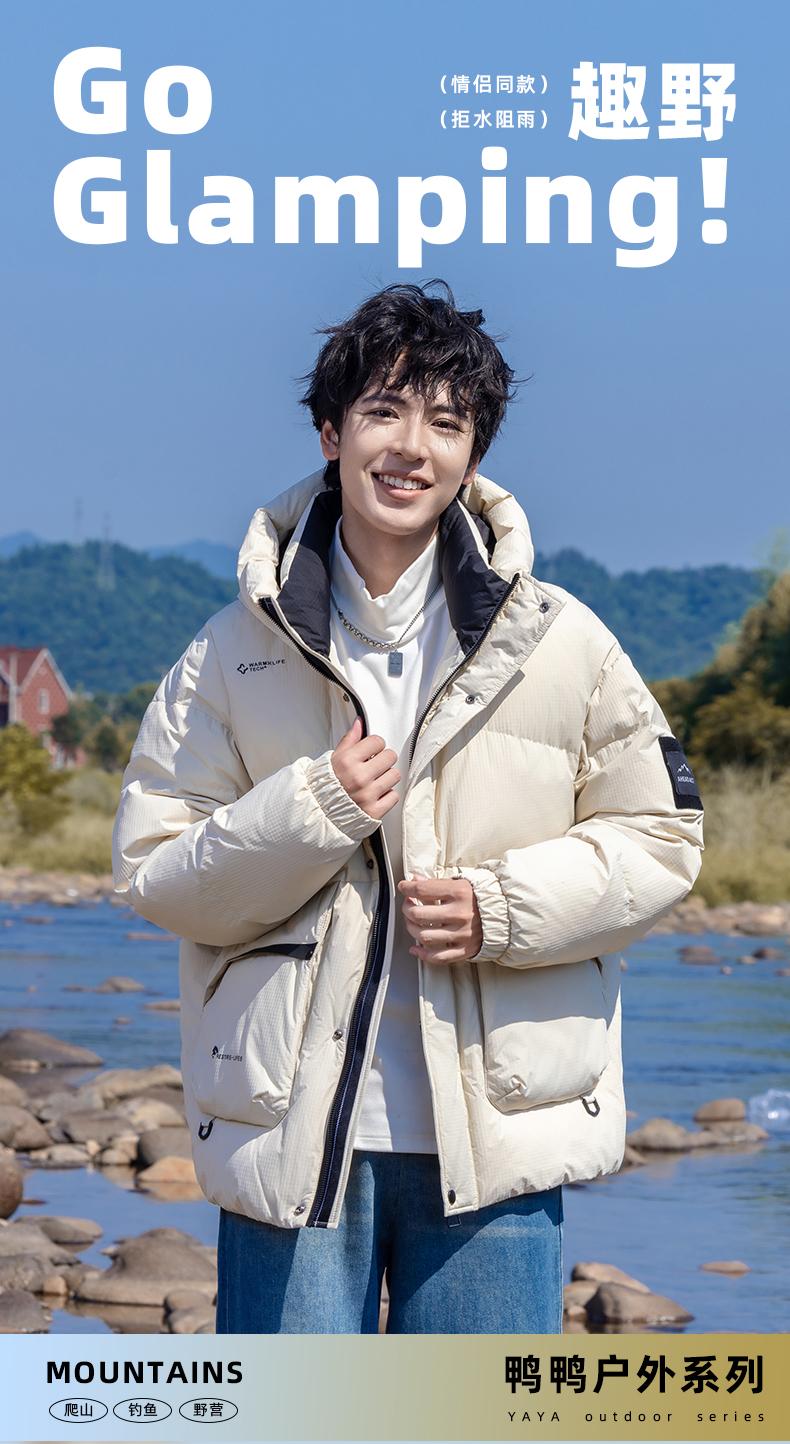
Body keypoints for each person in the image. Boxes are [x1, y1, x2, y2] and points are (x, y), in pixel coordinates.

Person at [113, 281, 704, 1335]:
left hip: (500, 1143)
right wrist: (312, 809)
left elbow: (662, 837)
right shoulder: (231, 652)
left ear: (473, 457)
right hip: (289, 1143)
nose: (410, 447)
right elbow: (155, 869)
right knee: (295, 1416)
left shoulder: (560, 640)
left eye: (446, 422)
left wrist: (500, 907)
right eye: (383, 410)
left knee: (475, 1414)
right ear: (330, 432)